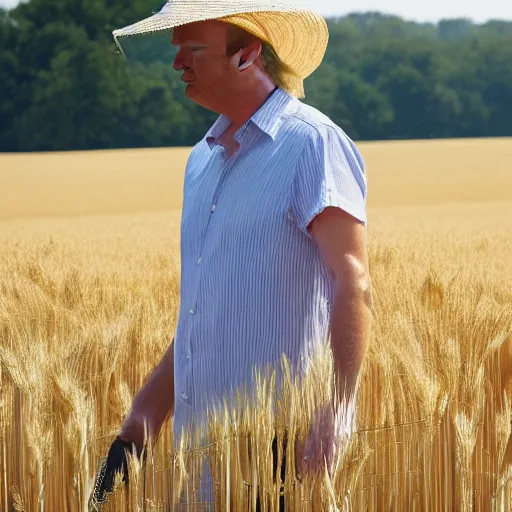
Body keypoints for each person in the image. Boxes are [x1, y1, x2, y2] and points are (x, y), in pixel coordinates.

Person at [92, 0, 373, 509]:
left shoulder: (312, 144)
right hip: (198, 460)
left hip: (281, 458)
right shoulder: (201, 160)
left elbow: (351, 280)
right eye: (176, 49)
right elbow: (204, 317)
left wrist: (338, 408)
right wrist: (144, 416)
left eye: (193, 49)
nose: (176, 63)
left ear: (247, 54)